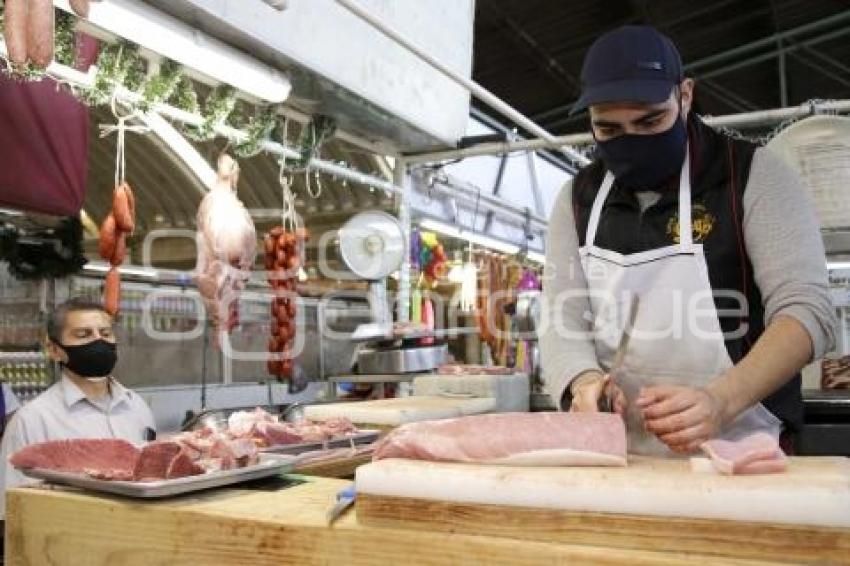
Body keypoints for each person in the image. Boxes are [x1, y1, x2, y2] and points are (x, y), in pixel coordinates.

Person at [540, 25, 836, 456]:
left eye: (650, 120)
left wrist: (720, 400)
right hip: (621, 454)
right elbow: (559, 318)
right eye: (609, 129)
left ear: (685, 95)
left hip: (743, 445)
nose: (633, 140)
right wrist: (583, 383)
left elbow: (808, 312)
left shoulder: (752, 176)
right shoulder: (577, 199)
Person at [0, 298, 156, 518]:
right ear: (54, 350)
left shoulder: (137, 406)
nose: (99, 342)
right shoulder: (33, 419)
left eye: (105, 333)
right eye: (83, 335)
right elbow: (11, 509)